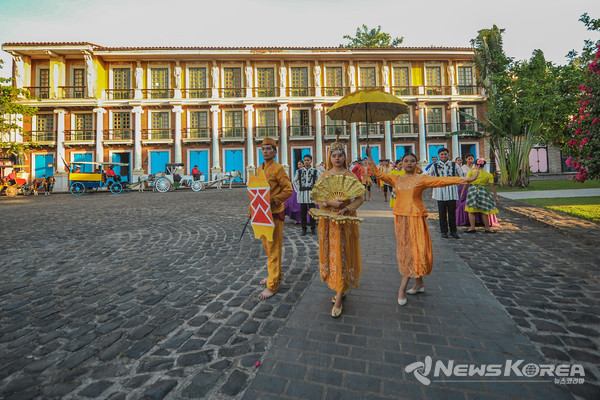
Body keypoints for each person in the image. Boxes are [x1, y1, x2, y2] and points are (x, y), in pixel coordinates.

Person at [366, 148, 479, 306]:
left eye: (412, 161)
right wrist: (370, 156)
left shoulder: (422, 178)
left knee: (414, 250)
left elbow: (442, 181)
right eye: (406, 161)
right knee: (406, 250)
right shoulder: (395, 179)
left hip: (416, 218)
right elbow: (378, 174)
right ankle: (419, 283)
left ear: (416, 163)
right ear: (401, 163)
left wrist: (466, 180)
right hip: (401, 219)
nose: (409, 163)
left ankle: (402, 288)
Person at [312, 141, 364, 318]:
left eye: (340, 155)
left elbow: (360, 198)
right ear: (330, 158)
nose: (337, 158)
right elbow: (317, 197)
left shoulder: (350, 175)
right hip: (329, 223)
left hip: (345, 222)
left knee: (343, 254)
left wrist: (346, 208)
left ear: (345, 157)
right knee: (331, 253)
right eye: (334, 155)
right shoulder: (324, 176)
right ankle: (340, 286)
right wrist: (329, 203)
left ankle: (340, 295)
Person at [250, 138, 293, 300]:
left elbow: (288, 190)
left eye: (269, 149)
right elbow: (255, 191)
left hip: (274, 214)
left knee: (274, 249)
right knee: (268, 249)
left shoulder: (278, 169)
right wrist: (251, 209)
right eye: (263, 149)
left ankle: (272, 285)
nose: (265, 151)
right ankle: (274, 275)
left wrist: (273, 200)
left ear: (275, 152)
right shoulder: (259, 168)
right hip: (261, 215)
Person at [427, 148, 464, 239]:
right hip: (440, 193)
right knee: (442, 214)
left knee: (452, 213)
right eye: (441, 154)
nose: (443, 156)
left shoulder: (454, 165)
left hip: (452, 192)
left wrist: (456, 184)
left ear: (448, 155)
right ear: (439, 156)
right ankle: (444, 231)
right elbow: (428, 176)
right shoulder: (434, 165)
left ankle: (453, 231)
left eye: (445, 154)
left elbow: (461, 176)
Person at [464, 159, 499, 234]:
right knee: (484, 211)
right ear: (484, 165)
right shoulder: (488, 175)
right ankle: (487, 228)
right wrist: (496, 196)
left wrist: (462, 192)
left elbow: (467, 182)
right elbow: (492, 186)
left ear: (476, 165)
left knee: (471, 210)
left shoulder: (471, 172)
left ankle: (472, 227)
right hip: (482, 191)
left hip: (472, 191)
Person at [294, 154, 320, 235]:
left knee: (313, 212)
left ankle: (313, 228)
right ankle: (304, 228)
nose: (306, 162)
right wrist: (298, 189)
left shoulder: (315, 171)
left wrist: (316, 190)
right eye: (305, 160)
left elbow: (319, 182)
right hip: (302, 195)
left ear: (311, 161)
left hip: (312, 195)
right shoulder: (300, 171)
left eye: (308, 160)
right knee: (303, 213)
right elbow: (294, 181)